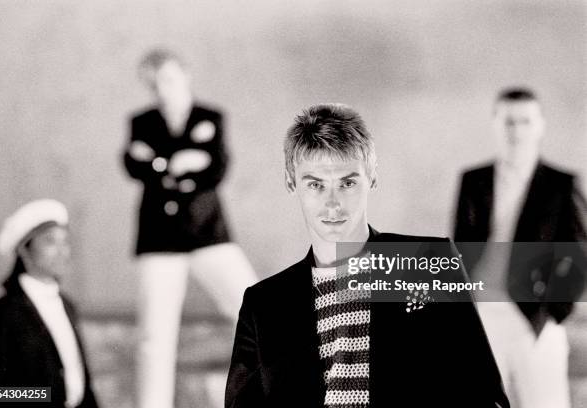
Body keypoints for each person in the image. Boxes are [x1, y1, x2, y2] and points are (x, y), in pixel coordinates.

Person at [225, 103, 509, 407]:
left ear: (372, 177)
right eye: (316, 185)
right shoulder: (264, 305)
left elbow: (485, 396)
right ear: (291, 182)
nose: (332, 204)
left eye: (347, 183)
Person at [122, 48, 257, 408]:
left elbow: (215, 169)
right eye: (153, 83)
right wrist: (178, 161)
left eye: (167, 78)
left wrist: (160, 162)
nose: (161, 88)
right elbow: (133, 165)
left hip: (207, 230)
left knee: (255, 308)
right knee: (154, 336)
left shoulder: (209, 116)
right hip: (158, 239)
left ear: (184, 74)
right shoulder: (142, 121)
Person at [454, 87, 587, 408]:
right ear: (495, 124)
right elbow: (459, 247)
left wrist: (554, 310)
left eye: (525, 121)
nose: (516, 130)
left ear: (540, 125)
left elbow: (580, 254)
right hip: (482, 316)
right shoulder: (474, 181)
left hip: (535, 320)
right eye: (508, 121)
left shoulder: (561, 184)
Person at [0, 199, 99, 408]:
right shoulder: (1, 315)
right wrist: (47, 396)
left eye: (65, 241)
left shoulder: (67, 306)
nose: (62, 251)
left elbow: (80, 383)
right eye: (50, 242)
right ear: (25, 250)